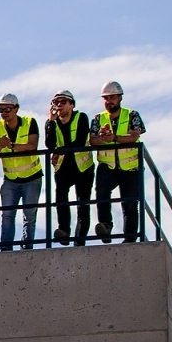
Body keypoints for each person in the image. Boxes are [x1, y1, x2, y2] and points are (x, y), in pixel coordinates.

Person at [90, 81, 145, 243]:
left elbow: (134, 136)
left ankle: (130, 239)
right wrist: (101, 138)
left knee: (129, 204)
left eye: (112, 97)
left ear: (120, 97)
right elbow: (92, 141)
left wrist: (113, 137)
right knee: (102, 194)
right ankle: (105, 226)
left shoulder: (132, 115)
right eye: (106, 98)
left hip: (130, 168)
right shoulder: (98, 118)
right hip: (108, 166)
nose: (109, 101)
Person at [0, 92, 43, 251]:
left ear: (16, 109)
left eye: (7, 109)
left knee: (29, 215)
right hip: (10, 179)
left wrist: (11, 146)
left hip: (32, 177)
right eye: (1, 110)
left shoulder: (29, 122)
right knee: (7, 215)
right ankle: (6, 248)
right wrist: (1, 145)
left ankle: (27, 247)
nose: (4, 113)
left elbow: (32, 145)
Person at [45, 90, 94, 246]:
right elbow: (50, 144)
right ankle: (63, 231)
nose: (59, 105)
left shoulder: (81, 117)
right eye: (56, 102)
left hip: (82, 167)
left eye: (63, 102)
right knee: (61, 199)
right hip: (63, 168)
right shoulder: (51, 123)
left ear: (71, 105)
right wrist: (51, 122)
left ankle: (79, 240)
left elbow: (80, 142)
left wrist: (60, 150)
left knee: (83, 204)